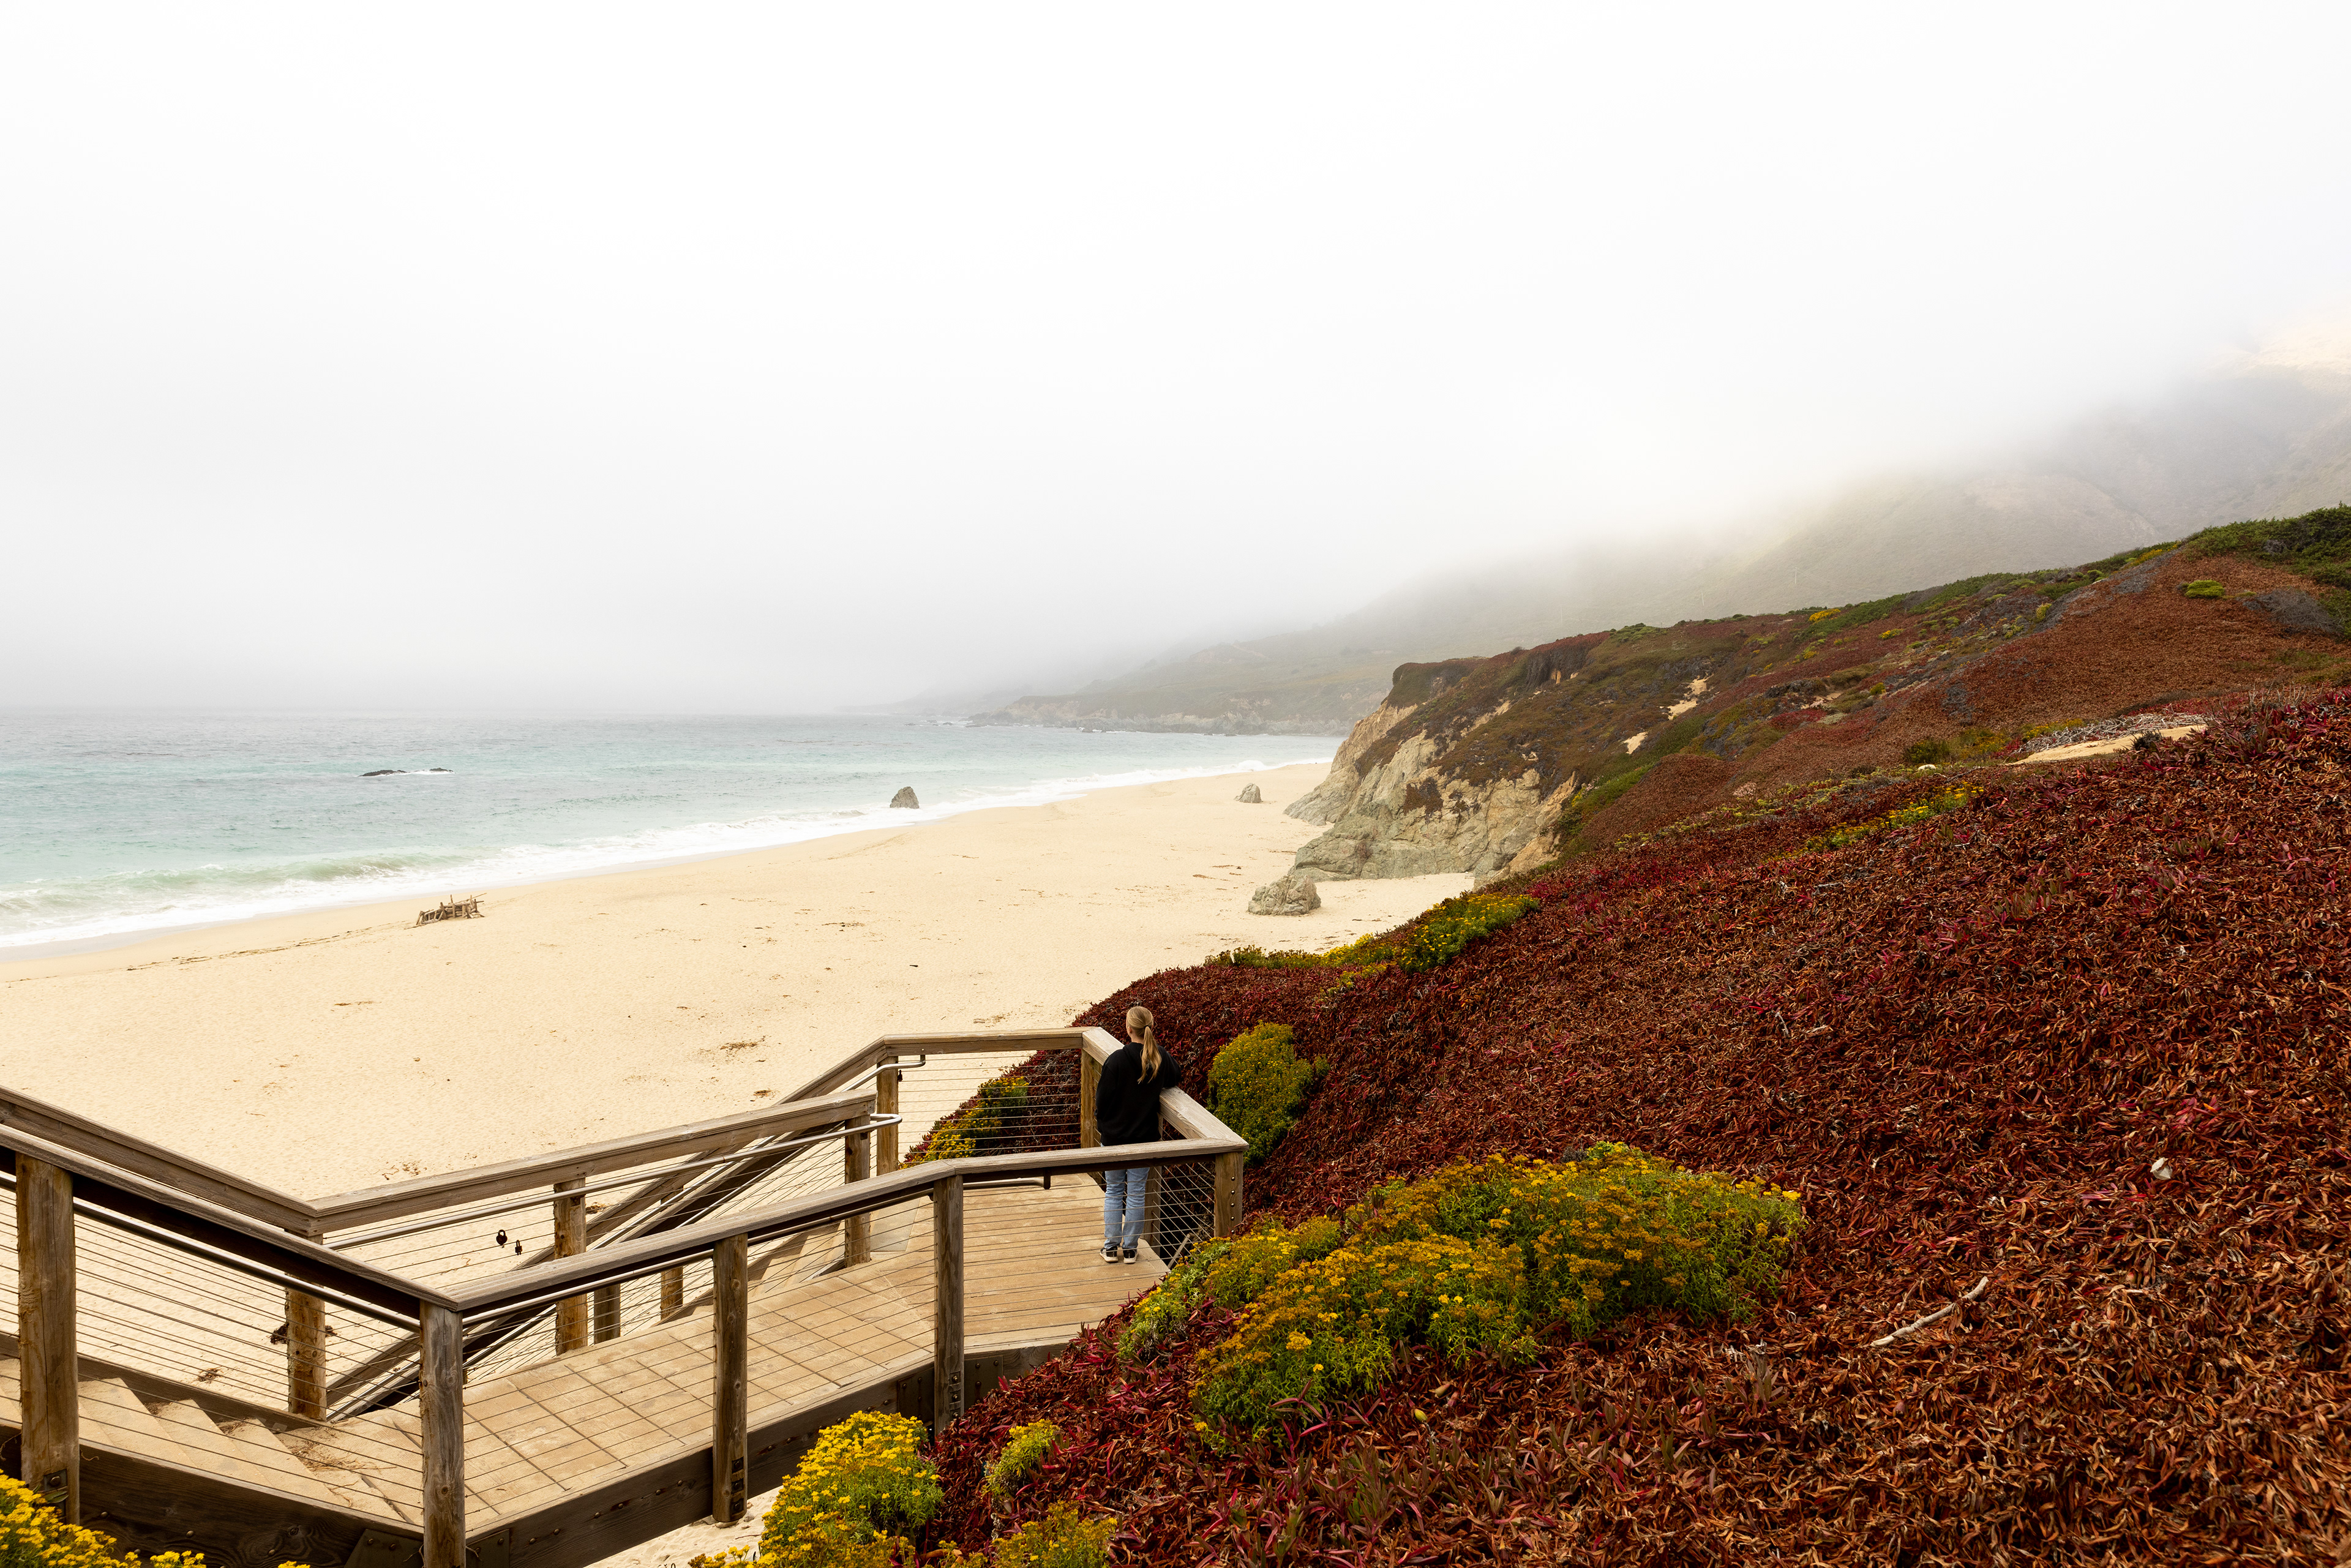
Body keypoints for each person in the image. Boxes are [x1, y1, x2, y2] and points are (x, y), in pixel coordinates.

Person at [1096, 1003, 1174, 1264]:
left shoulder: (1116, 1060)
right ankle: (1130, 1249)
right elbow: (1176, 1076)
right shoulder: (1158, 1057)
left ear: (1128, 1028)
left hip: (1115, 1141)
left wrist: (1105, 1129)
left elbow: (1102, 1102)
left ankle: (1110, 1248)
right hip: (1144, 1139)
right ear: (1150, 1028)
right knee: (1137, 1192)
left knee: (1114, 1190)